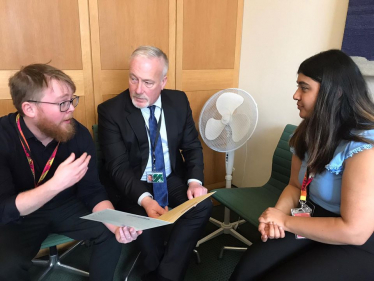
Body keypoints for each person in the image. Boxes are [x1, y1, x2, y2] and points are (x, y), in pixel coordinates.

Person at [230, 49, 374, 281]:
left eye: (304, 87)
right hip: (310, 216)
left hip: (356, 241)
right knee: (249, 267)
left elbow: (354, 231)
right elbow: (295, 187)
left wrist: (285, 221)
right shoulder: (309, 129)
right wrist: (277, 214)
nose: (295, 95)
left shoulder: (365, 145)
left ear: (335, 93)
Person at [0, 64, 141, 281]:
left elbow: (92, 190)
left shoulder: (77, 134)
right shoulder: (4, 137)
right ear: (29, 108)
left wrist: (117, 225)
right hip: (19, 217)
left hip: (66, 205)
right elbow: (4, 208)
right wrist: (56, 184)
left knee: (110, 234)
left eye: (72, 100)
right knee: (7, 265)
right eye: (62, 103)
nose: (71, 108)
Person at [98, 46, 213, 281]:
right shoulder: (111, 111)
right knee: (150, 246)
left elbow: (191, 146)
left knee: (202, 205)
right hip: (134, 186)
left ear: (163, 81)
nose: (138, 90)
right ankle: (165, 266)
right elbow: (118, 168)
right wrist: (147, 201)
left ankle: (165, 276)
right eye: (133, 79)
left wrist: (194, 181)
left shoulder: (178, 100)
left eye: (148, 82)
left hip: (169, 178)